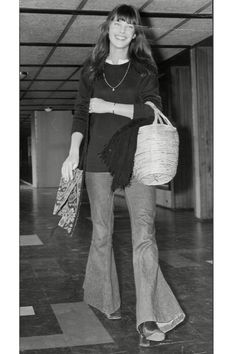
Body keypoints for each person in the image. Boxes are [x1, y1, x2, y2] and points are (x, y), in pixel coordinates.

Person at [61, 4, 185, 347]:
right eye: (117, 23)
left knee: (144, 235)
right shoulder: (90, 71)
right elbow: (79, 116)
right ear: (108, 28)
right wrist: (73, 153)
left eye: (129, 26)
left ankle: (147, 318)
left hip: (136, 160)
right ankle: (106, 301)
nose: (122, 30)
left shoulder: (144, 69)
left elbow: (152, 110)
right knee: (101, 233)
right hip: (97, 161)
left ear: (134, 34)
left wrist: (111, 106)